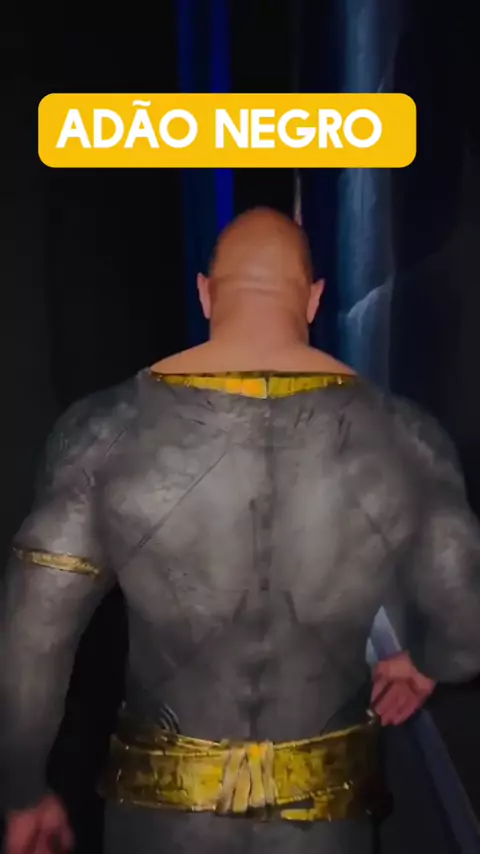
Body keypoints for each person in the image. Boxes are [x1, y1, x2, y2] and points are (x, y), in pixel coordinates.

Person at [2, 208, 479, 854]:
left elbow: (32, 639)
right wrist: (426, 664)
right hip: (326, 818)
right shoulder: (409, 440)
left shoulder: (105, 433)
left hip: (160, 821)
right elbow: (466, 630)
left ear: (206, 294)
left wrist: (23, 791)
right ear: (313, 299)